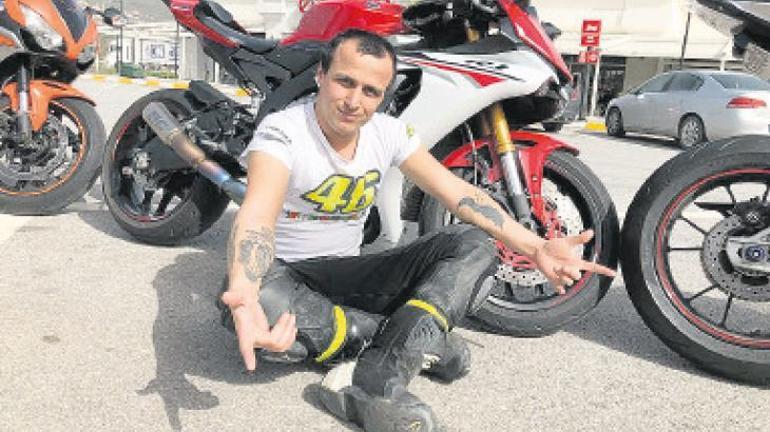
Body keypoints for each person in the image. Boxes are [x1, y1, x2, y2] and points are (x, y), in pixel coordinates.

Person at [218, 29, 616, 432]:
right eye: (344, 82)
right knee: (254, 303)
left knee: (473, 243)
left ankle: (374, 378)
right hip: (289, 273)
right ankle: (409, 343)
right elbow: (257, 215)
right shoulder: (283, 131)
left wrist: (535, 247)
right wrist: (245, 295)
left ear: (383, 95)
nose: (354, 101)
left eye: (370, 91)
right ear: (321, 75)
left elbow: (460, 194)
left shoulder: (388, 132)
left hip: (351, 273)